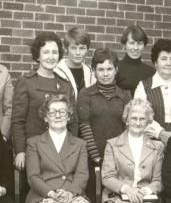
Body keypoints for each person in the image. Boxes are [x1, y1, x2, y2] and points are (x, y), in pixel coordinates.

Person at [12, 31, 77, 203]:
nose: (50, 56)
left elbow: (73, 120)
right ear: (37, 55)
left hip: (59, 152)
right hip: (32, 151)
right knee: (29, 199)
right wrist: (19, 151)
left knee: (55, 194)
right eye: (46, 52)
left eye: (54, 52)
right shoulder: (26, 82)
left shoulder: (65, 84)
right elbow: (17, 120)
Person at [77, 47, 131, 190]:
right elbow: (84, 126)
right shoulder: (86, 94)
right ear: (94, 71)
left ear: (116, 70)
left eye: (109, 69)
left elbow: (128, 128)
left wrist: (118, 156)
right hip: (91, 157)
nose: (105, 74)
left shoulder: (125, 95)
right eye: (100, 69)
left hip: (119, 158)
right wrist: (96, 158)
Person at [54, 27, 95, 99]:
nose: (78, 53)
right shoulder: (56, 71)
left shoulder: (90, 72)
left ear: (87, 50)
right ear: (66, 49)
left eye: (82, 48)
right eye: (73, 48)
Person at [116, 24, 155, 95]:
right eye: (132, 43)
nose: (135, 48)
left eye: (139, 43)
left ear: (144, 46)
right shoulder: (116, 69)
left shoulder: (151, 72)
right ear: (125, 44)